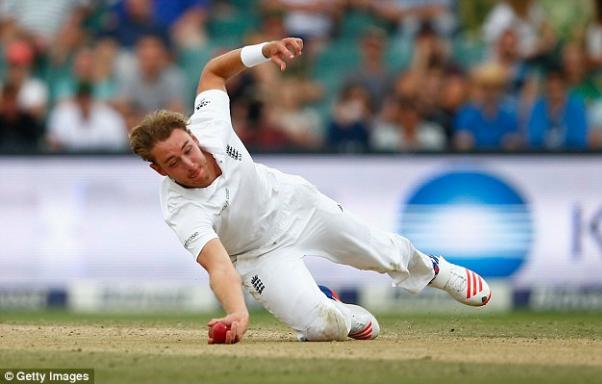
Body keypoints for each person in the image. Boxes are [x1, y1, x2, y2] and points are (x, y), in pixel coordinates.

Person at [128, 38, 492, 344]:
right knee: (323, 327)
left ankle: (436, 272)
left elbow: (213, 71)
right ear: (158, 169)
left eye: (187, 149)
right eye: (173, 163)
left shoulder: (209, 122)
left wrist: (265, 49)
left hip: (295, 206)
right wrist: (237, 312)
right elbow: (219, 265)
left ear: (192, 134)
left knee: (382, 252)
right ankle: (335, 309)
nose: (189, 164)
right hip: (256, 257)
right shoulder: (180, 208)